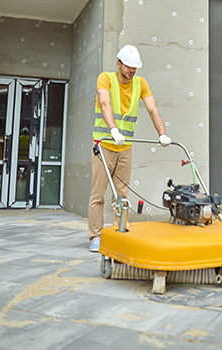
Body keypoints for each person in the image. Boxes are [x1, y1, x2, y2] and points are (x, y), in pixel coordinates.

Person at [88, 44, 171, 252]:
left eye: (135, 67)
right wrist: (113, 130)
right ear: (118, 63)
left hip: (125, 148)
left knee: (122, 195)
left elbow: (153, 109)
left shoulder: (140, 83)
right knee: (98, 195)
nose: (131, 71)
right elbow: (105, 104)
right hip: (104, 145)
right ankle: (95, 237)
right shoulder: (105, 78)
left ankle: (119, 233)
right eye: (128, 66)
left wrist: (162, 133)